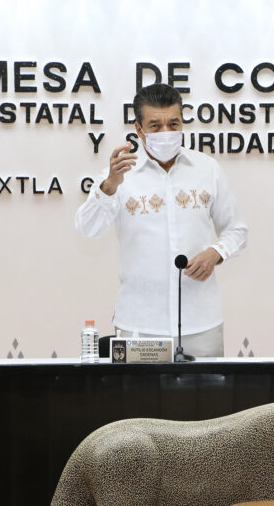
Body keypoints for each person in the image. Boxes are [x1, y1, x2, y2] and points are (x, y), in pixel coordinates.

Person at [75, 83, 248, 357]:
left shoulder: (207, 169)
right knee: (137, 401)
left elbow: (237, 230)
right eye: (155, 126)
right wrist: (109, 186)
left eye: (173, 123)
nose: (166, 132)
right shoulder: (119, 176)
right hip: (139, 324)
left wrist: (216, 253)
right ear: (139, 129)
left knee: (207, 399)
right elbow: (88, 229)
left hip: (201, 323)